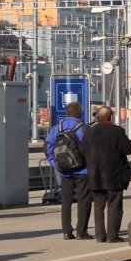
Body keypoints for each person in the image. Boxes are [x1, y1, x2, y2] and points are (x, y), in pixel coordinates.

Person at [80, 106, 131, 243]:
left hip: (95, 176)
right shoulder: (117, 131)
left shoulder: (89, 132)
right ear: (110, 117)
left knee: (98, 206)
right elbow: (128, 149)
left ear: (97, 117)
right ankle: (112, 236)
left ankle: (100, 235)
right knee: (114, 206)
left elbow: (81, 150)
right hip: (114, 176)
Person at [45, 101, 92, 240]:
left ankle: (66, 231)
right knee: (84, 200)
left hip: (64, 170)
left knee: (66, 200)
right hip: (83, 169)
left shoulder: (57, 128)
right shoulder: (83, 128)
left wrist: (55, 163)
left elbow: (47, 146)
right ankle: (81, 232)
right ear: (80, 113)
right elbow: (90, 149)